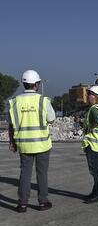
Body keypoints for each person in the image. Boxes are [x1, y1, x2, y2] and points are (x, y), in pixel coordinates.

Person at [7, 70, 56, 213]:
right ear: (36, 84)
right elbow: (51, 119)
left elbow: (11, 125)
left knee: (25, 174)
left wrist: (12, 142)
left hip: (24, 144)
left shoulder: (14, 102)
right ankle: (43, 202)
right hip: (42, 144)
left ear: (24, 83)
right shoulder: (43, 101)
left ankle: (22, 204)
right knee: (42, 173)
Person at [82, 86, 98, 204]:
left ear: (96, 97)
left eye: (90, 94)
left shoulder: (94, 109)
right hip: (94, 145)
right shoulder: (93, 108)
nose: (88, 96)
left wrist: (89, 128)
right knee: (93, 169)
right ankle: (96, 192)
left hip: (93, 145)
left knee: (94, 170)